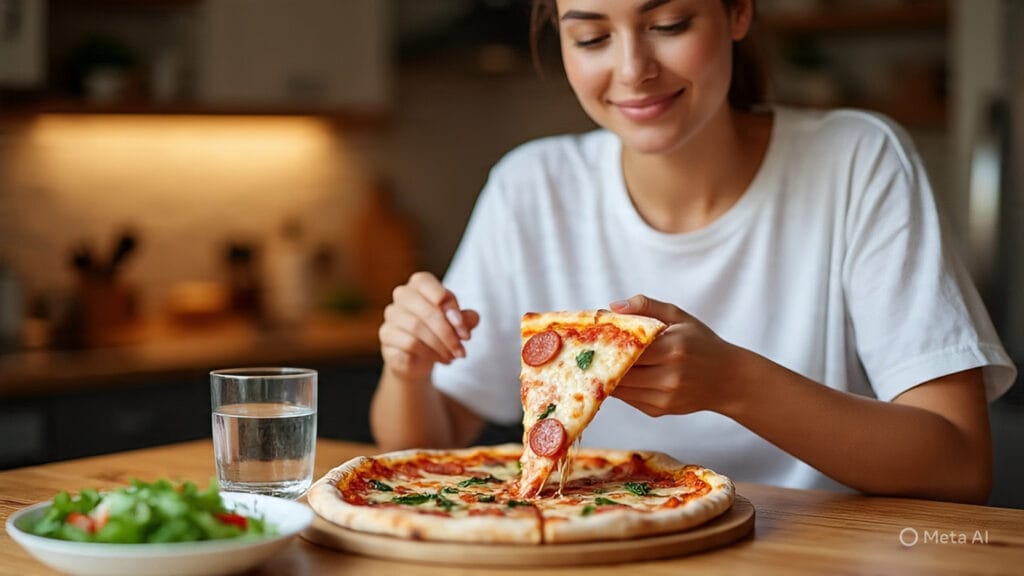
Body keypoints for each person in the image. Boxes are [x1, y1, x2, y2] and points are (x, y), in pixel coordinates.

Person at [370, 0, 1016, 504]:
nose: (631, 71)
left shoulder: (857, 160)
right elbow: (419, 448)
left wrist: (736, 384)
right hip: (606, 549)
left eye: (669, 23)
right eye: (591, 37)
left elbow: (957, 468)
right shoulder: (531, 186)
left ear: (739, 12)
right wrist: (410, 367)